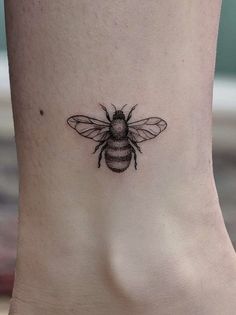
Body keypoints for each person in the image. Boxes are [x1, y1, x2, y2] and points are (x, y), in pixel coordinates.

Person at [5, 0, 236, 314]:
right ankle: (140, 264)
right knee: (134, 235)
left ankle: (73, 272)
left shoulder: (102, 129)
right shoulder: (133, 129)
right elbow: (142, 133)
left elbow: (93, 132)